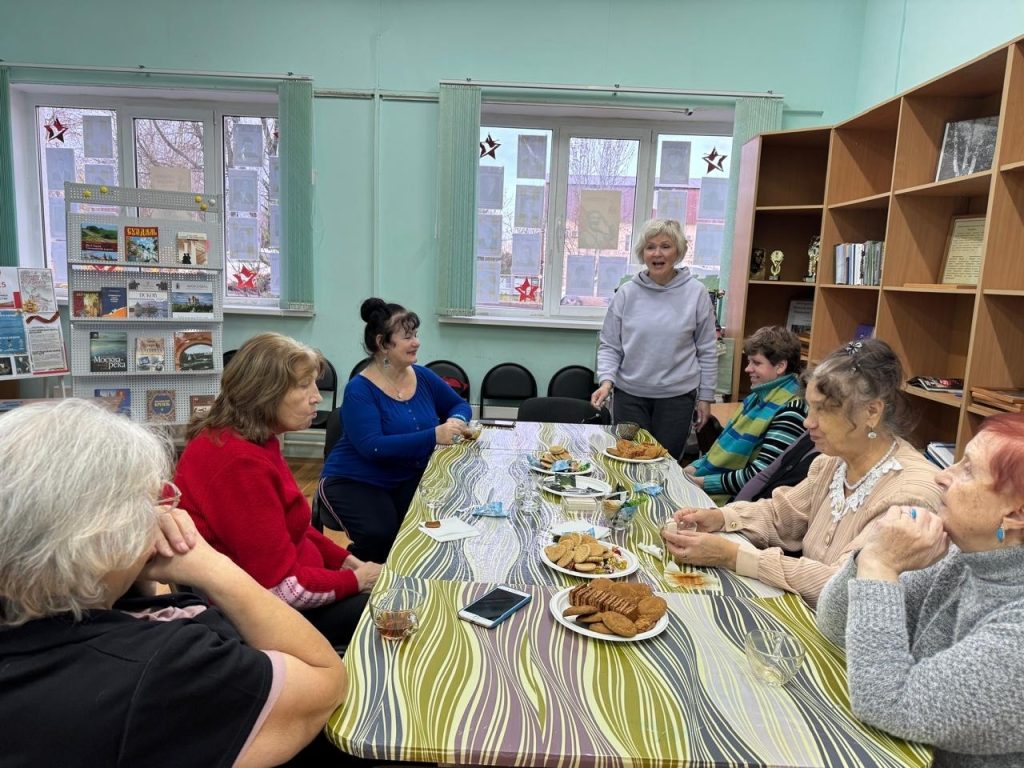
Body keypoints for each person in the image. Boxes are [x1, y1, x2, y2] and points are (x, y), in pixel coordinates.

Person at [0, 399, 346, 767]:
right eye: (150, 503)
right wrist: (212, 567)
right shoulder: (161, 667)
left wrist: (130, 577)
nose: (164, 514)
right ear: (107, 537)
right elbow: (325, 682)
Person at [663, 339, 943, 606]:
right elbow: (783, 515)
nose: (808, 423)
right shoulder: (833, 462)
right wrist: (720, 518)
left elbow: (843, 586)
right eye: (810, 408)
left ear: (872, 412)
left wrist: (734, 556)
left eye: (822, 411)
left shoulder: (910, 497)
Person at [817, 413, 1024, 767]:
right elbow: (834, 625)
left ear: (1016, 515)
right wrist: (871, 553)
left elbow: (887, 702)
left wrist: (880, 567)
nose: (942, 475)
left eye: (968, 470)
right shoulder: (962, 556)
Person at [174, 332, 380, 648]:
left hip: (287, 590)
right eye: (304, 385)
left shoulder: (253, 440)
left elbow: (291, 526)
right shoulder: (239, 463)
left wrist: (345, 562)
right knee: (393, 612)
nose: (317, 397)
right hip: (263, 616)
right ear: (264, 393)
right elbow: (281, 588)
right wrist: (357, 580)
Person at [319, 298, 472, 563]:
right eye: (407, 337)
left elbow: (459, 404)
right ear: (382, 344)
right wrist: (435, 435)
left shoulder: (423, 376)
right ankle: (355, 576)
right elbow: (373, 447)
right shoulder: (359, 389)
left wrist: (456, 420)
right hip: (355, 480)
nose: (417, 342)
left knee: (434, 524)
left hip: (405, 476)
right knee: (382, 535)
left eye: (416, 335)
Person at [591, 218, 717, 459]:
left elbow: (707, 350)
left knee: (665, 464)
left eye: (665, 246)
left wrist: (706, 397)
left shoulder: (696, 293)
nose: (657, 253)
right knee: (629, 461)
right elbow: (610, 345)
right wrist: (606, 381)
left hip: (677, 399)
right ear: (643, 253)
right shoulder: (627, 293)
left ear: (678, 251)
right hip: (629, 397)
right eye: (650, 247)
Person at [685, 326, 808, 502]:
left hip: (739, 502)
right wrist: (692, 469)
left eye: (756, 363)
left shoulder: (791, 411)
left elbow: (761, 475)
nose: (747, 369)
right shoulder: (757, 397)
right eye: (749, 362)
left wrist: (701, 482)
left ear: (780, 366)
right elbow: (717, 452)